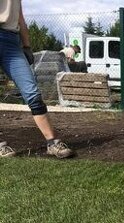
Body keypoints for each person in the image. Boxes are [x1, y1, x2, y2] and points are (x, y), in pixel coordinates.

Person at [0, 0, 74, 158]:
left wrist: (26, 45)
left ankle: (52, 142)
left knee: (32, 92)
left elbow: (19, 16)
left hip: (11, 41)